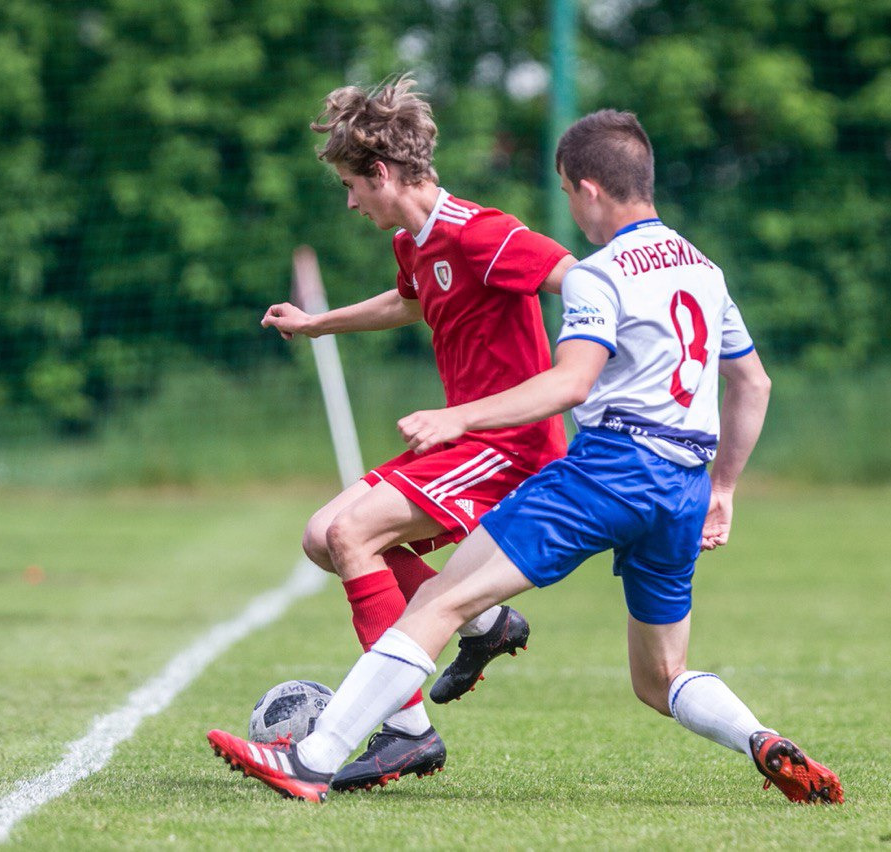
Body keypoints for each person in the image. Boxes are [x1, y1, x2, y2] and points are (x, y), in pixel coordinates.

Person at [210, 109, 844, 806]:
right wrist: (723, 490)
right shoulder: (704, 269)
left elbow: (569, 384)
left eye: (567, 192)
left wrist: (458, 416)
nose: (567, 208)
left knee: (437, 601)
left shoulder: (597, 274)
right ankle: (760, 738)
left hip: (607, 471)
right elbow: (753, 384)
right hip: (684, 486)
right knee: (661, 677)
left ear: (589, 189)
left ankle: (315, 758)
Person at [257, 76, 575, 792]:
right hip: (464, 441)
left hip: (511, 446)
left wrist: (608, 361)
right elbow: (411, 303)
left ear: (381, 173)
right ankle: (485, 624)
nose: (350, 202)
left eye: (351, 186)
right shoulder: (414, 241)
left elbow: (576, 278)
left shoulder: (481, 231)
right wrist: (318, 324)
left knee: (352, 536)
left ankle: (405, 733)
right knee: (321, 536)